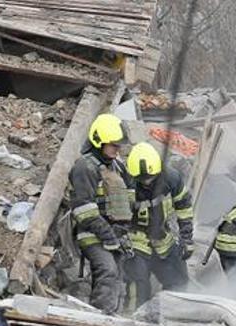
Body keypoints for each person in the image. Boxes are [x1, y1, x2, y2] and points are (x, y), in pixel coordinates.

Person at [68, 113, 134, 313]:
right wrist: (107, 235)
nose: (117, 149)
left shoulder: (116, 166)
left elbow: (129, 196)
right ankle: (99, 318)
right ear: (99, 142)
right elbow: (83, 210)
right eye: (113, 145)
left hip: (114, 232)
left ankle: (114, 316)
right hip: (91, 233)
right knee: (107, 270)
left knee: (122, 275)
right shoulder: (85, 167)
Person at [121, 142, 194, 310]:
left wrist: (187, 239)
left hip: (163, 239)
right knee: (138, 286)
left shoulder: (172, 178)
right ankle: (133, 323)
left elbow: (184, 210)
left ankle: (171, 317)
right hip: (135, 241)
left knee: (179, 281)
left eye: (150, 178)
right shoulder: (126, 181)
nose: (146, 182)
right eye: (142, 179)